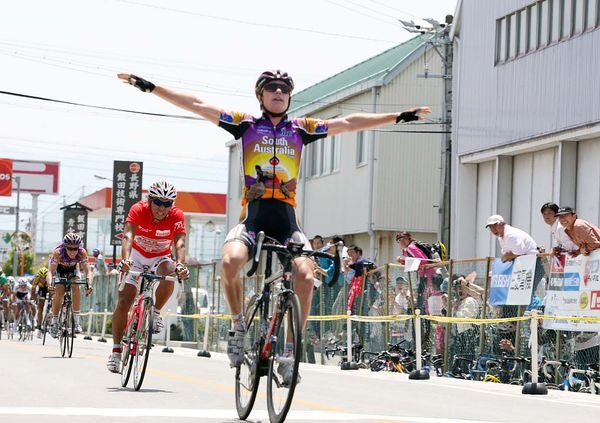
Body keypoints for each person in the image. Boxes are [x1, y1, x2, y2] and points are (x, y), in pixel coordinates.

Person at [117, 70, 430, 382]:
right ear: (261, 95)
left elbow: (349, 123)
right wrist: (152, 87)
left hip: (287, 223)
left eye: (284, 89)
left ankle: (290, 352)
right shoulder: (246, 124)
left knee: (306, 277)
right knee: (230, 261)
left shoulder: (302, 128)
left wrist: (400, 116)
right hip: (252, 220)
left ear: (290, 96)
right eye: (271, 88)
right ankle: (238, 326)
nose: (278, 92)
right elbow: (197, 104)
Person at [107, 180, 189, 373]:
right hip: (136, 256)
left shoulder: (176, 215)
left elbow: (180, 243)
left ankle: (156, 313)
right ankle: (117, 352)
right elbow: (128, 235)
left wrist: (180, 265)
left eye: (167, 204)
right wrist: (126, 260)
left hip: (160, 257)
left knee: (170, 272)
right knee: (124, 301)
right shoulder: (138, 209)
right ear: (150, 200)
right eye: (158, 202)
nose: (162, 208)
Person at [47, 233, 93, 337]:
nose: (73, 252)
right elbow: (50, 272)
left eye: (75, 249)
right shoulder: (58, 252)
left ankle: (76, 322)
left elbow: (88, 271)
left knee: (76, 286)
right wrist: (50, 284)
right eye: (70, 249)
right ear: (64, 246)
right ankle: (54, 322)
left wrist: (89, 284)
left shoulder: (82, 253)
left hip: (73, 270)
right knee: (59, 292)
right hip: (59, 270)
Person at [31, 266, 50, 338]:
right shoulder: (36, 279)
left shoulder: (51, 278)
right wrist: (36, 300)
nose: (43, 279)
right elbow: (32, 292)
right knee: (40, 307)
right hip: (42, 289)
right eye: (41, 277)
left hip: (50, 288)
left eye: (45, 277)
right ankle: (39, 326)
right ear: (39, 277)